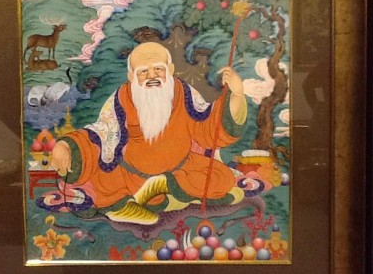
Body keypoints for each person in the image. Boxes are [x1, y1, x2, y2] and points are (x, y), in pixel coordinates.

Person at [51, 42, 247, 225]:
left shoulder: (184, 93)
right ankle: (140, 202)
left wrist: (237, 95)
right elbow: (102, 132)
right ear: (131, 76)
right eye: (143, 71)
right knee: (100, 184)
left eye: (158, 69)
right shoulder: (122, 98)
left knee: (221, 177)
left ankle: (163, 185)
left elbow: (208, 124)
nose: (152, 76)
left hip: (181, 169)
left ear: (170, 70)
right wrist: (64, 145)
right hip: (130, 175)